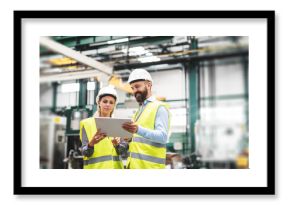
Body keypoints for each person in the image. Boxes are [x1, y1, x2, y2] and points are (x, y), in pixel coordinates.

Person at [122, 69, 171, 169]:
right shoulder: (138, 111)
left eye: (137, 86)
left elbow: (163, 137)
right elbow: (140, 137)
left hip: (150, 168)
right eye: (132, 88)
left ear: (148, 85)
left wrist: (138, 130)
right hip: (134, 166)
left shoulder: (159, 107)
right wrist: (130, 138)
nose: (135, 91)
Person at [80, 86, 125, 169]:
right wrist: (91, 144)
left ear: (114, 105)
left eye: (111, 102)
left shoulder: (119, 124)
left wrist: (117, 145)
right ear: (99, 102)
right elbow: (85, 153)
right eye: (105, 101)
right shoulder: (87, 124)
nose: (108, 104)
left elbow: (122, 152)